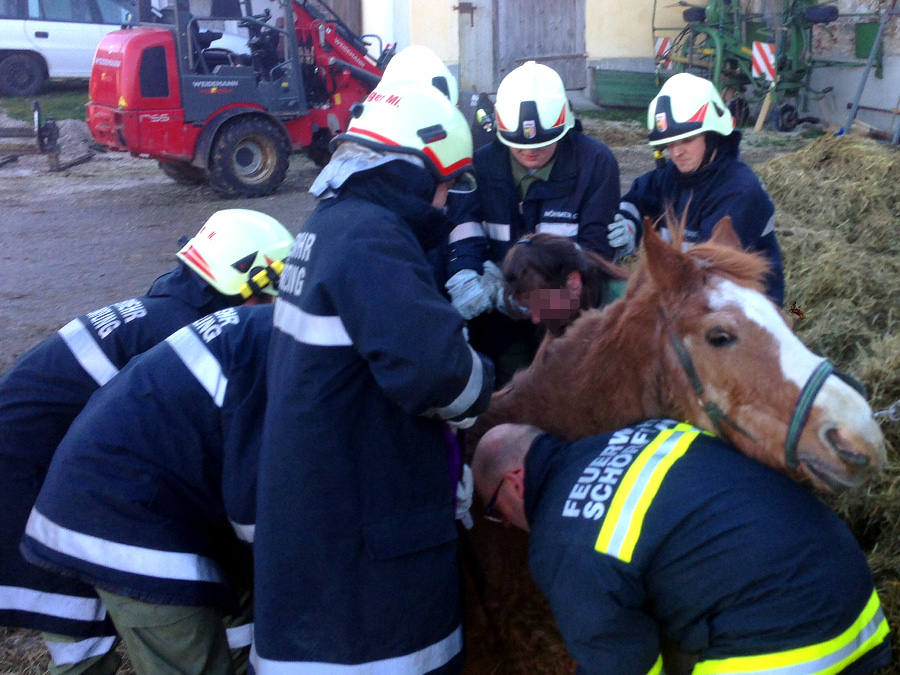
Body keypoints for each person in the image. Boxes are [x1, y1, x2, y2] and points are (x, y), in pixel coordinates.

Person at [253, 80, 495, 675]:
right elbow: (443, 376)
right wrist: (480, 369)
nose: (446, 203)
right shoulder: (374, 239)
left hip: (319, 523)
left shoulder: (328, 223)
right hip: (368, 557)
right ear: (414, 171)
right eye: (445, 184)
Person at [0, 209, 293, 675]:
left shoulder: (168, 314)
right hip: (38, 484)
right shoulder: (182, 334)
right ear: (247, 282)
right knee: (85, 643)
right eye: (271, 295)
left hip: (58, 475)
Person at [472, 419, 891, 675]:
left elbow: (621, 664)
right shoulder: (646, 432)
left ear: (514, 481)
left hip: (793, 642)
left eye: (497, 511)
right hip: (857, 595)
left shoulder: (559, 540)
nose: (507, 523)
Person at [21, 303, 275, 675]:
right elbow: (256, 510)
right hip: (123, 519)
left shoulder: (264, 333)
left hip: (111, 496)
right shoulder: (287, 364)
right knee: (188, 662)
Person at [443, 61, 620, 382]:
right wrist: (464, 273)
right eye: (520, 145)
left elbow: (594, 255)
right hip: (494, 319)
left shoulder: (596, 163)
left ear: (564, 128)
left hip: (567, 315)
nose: (531, 153)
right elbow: (464, 225)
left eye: (541, 144)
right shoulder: (481, 164)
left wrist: (525, 293)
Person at [610, 72, 785, 304]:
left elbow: (705, 272)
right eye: (670, 144)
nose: (676, 152)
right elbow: (638, 198)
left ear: (712, 136)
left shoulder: (739, 192)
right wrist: (629, 227)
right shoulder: (673, 177)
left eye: (686, 140)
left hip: (745, 313)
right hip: (691, 300)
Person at [501, 233, 629, 337]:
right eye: (528, 307)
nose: (536, 319)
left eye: (542, 305)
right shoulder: (567, 309)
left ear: (573, 282)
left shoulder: (627, 311)